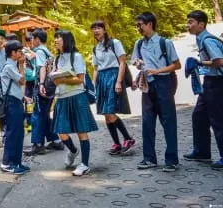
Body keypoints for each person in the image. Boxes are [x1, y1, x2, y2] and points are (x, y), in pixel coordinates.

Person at [131, 11, 181, 172]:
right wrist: (138, 63)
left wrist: (158, 71)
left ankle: (172, 160)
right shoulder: (139, 44)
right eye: (137, 25)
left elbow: (177, 65)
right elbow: (135, 60)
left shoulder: (164, 42)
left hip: (164, 83)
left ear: (150, 24)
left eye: (140, 25)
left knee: (168, 122)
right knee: (147, 122)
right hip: (147, 85)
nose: (138, 28)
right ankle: (149, 159)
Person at [51, 29, 99, 176]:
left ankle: (84, 164)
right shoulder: (56, 59)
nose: (56, 40)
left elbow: (79, 79)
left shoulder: (77, 57)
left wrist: (63, 79)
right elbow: (54, 79)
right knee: (61, 131)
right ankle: (73, 150)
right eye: (55, 38)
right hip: (62, 97)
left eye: (59, 37)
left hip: (77, 96)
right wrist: (56, 79)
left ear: (67, 40)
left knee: (81, 130)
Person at [184, 10, 223, 170]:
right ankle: (202, 151)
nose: (188, 25)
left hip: (217, 82)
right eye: (188, 22)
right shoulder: (200, 39)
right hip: (208, 83)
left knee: (218, 120)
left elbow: (219, 61)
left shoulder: (207, 40)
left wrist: (200, 63)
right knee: (198, 116)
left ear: (201, 24)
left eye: (191, 22)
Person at [90, 21, 135, 155]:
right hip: (102, 79)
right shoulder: (95, 48)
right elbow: (96, 68)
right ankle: (116, 143)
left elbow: (122, 62)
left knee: (109, 111)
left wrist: (119, 82)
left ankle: (128, 138)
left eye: (98, 28)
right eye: (94, 29)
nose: (96, 31)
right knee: (105, 113)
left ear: (104, 30)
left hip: (113, 76)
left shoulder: (114, 43)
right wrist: (93, 84)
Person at [26, 29, 62, 155]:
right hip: (51, 86)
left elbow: (41, 67)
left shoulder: (40, 51)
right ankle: (56, 140)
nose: (31, 41)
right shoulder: (48, 52)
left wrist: (41, 84)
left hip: (43, 86)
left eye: (32, 38)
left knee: (37, 114)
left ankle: (38, 144)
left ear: (37, 39)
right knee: (45, 114)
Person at [0, 40, 30, 175]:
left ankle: (16, 162)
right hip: (11, 103)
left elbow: (14, 86)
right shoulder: (9, 66)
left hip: (15, 101)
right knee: (12, 133)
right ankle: (7, 163)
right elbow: (22, 80)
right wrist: (22, 64)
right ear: (13, 53)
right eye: (19, 51)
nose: (21, 54)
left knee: (19, 132)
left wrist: (23, 97)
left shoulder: (13, 65)